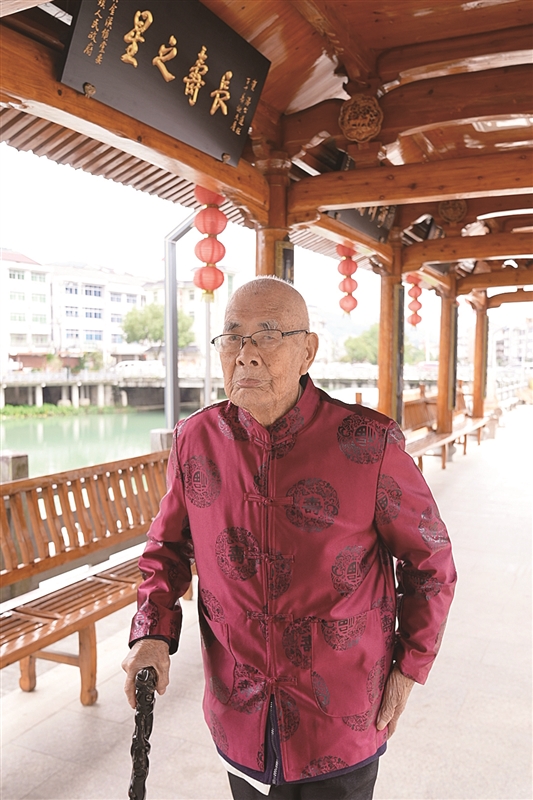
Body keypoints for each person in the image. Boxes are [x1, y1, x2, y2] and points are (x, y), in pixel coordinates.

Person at [122, 276, 456, 799]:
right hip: (239, 709)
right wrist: (150, 635)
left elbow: (431, 562)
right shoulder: (196, 440)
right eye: (233, 336)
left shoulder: (368, 443)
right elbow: (166, 551)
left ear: (308, 352)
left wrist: (408, 669)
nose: (246, 354)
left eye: (268, 334)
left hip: (341, 716)